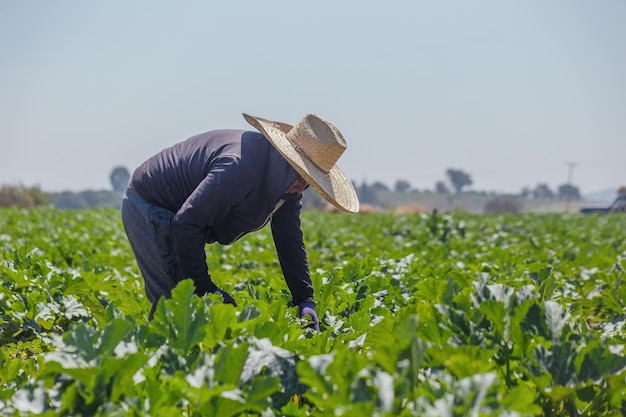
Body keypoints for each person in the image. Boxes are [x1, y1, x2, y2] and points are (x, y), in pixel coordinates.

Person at [121, 113, 359, 330]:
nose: (301, 187)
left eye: (310, 181)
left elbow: (290, 240)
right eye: (300, 175)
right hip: (151, 205)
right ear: (284, 159)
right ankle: (159, 367)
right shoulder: (239, 168)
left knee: (186, 310)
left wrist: (304, 298)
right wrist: (205, 289)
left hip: (183, 216)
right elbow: (187, 223)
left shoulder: (286, 186)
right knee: (175, 307)